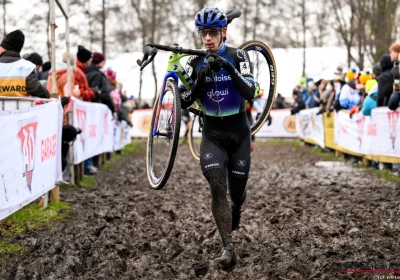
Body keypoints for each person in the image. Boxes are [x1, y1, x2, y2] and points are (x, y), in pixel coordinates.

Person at [178, 7, 257, 267]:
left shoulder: (239, 56)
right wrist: (199, 82)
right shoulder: (193, 61)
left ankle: (237, 207)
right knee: (215, 184)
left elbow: (250, 93)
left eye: (212, 33)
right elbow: (183, 101)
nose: (207, 39)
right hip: (212, 135)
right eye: (203, 33)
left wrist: (229, 69)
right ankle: (228, 248)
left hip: (239, 136)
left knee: (236, 193)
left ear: (223, 32)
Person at [0, 30, 49, 98]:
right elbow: (37, 90)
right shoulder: (27, 67)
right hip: (21, 108)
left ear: (4, 49)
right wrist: (50, 96)